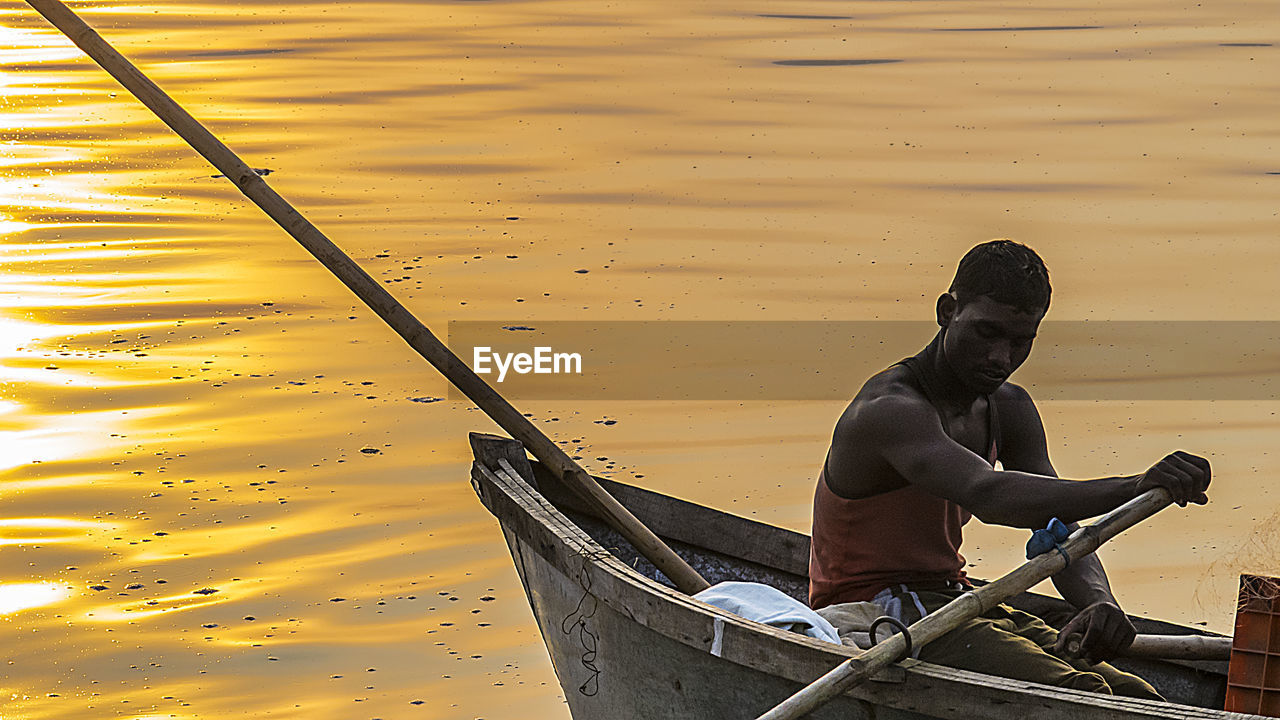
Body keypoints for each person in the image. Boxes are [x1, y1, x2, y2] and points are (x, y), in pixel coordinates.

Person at [808, 239, 1211, 699]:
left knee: (1134, 694)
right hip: (876, 613)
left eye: (1021, 341)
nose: (1001, 358)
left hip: (956, 599)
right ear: (947, 311)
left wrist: (1100, 603)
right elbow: (990, 494)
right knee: (1078, 694)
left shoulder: (1009, 407)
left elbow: (1058, 530)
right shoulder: (890, 409)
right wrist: (1136, 486)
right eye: (987, 333)